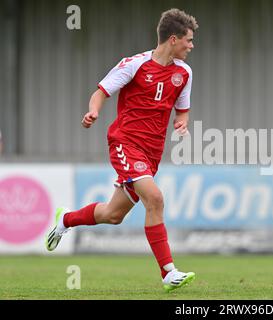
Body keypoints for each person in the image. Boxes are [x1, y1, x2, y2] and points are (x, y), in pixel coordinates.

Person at [45, 8, 198, 292]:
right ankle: (168, 272)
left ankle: (65, 220)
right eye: (189, 40)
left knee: (113, 215)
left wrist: (182, 124)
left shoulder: (184, 73)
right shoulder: (134, 65)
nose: (192, 46)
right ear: (173, 39)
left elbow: (182, 111)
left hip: (153, 153)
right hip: (125, 143)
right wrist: (93, 112)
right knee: (155, 198)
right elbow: (101, 91)